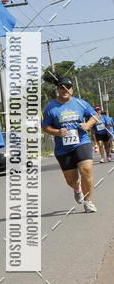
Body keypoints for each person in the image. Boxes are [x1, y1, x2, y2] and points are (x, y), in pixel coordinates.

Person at [42, 77, 99, 212]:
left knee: (86, 170)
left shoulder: (81, 103)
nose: (65, 90)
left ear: (72, 89)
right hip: (63, 148)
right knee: (71, 180)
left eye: (68, 87)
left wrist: (88, 124)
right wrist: (57, 132)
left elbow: (95, 116)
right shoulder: (51, 107)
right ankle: (76, 188)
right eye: (62, 87)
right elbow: (45, 127)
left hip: (82, 142)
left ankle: (88, 201)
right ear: (58, 90)